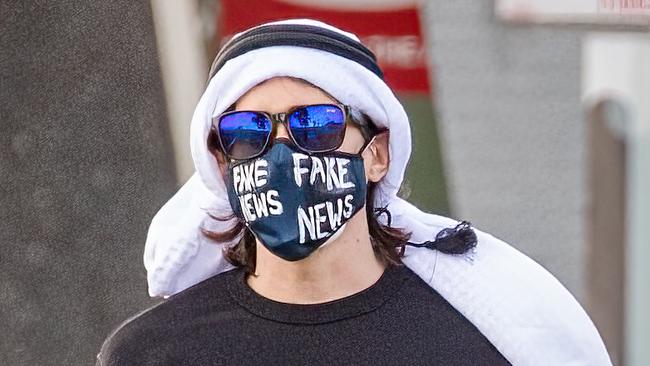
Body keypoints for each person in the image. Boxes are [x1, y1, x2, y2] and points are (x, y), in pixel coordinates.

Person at [96, 19, 612, 365]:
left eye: (315, 125)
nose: (282, 154)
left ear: (378, 153)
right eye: (247, 132)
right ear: (219, 161)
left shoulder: (476, 343)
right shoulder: (152, 352)